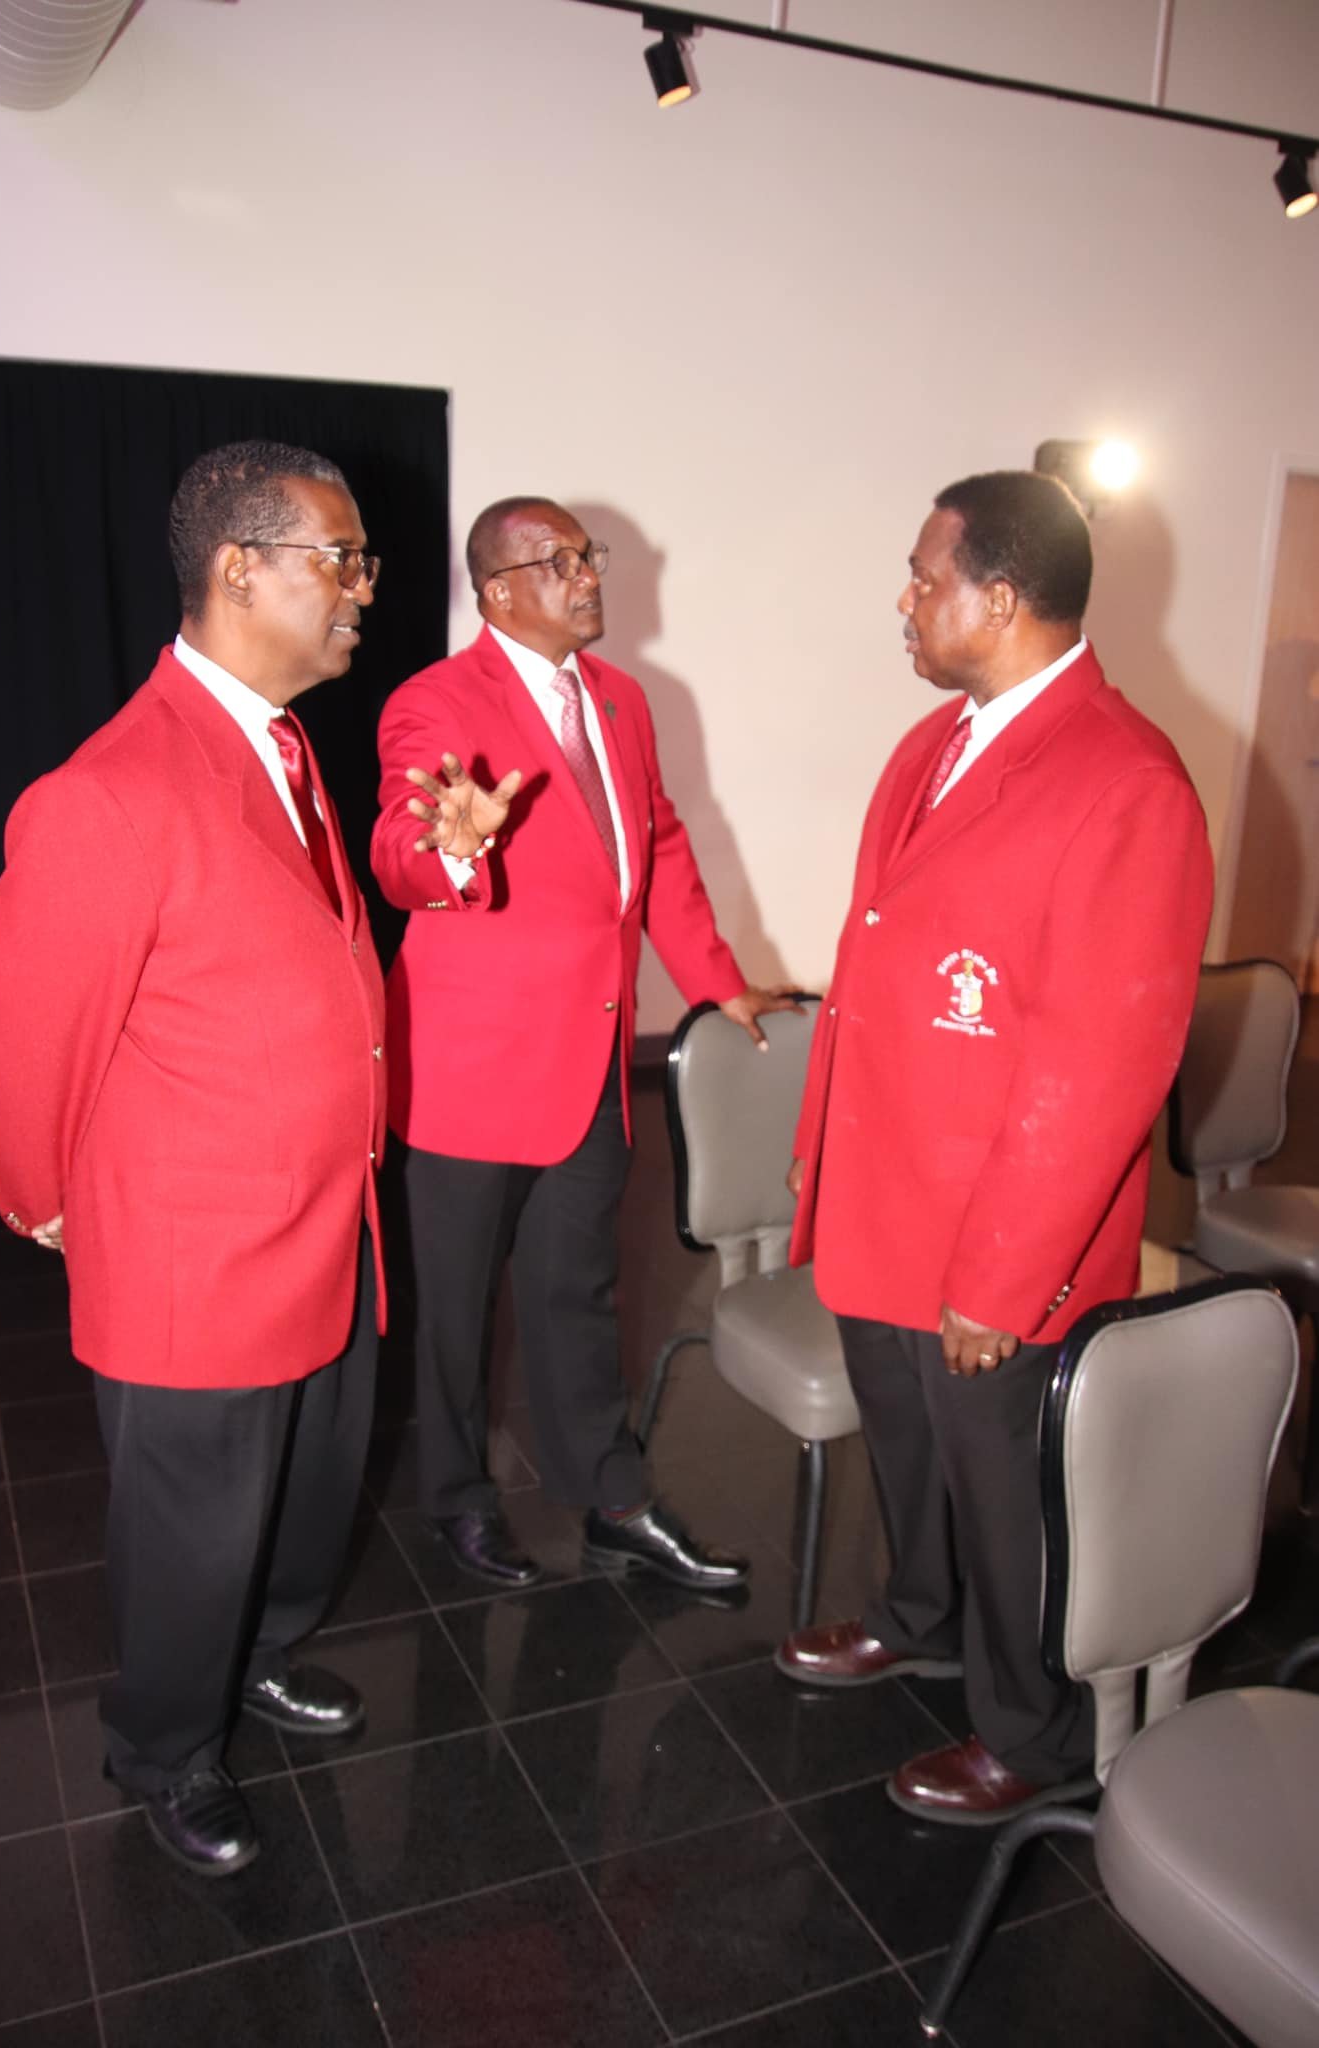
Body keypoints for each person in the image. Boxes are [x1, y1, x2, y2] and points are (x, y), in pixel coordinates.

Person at [0, 440, 388, 1877]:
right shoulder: (112, 789)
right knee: (192, 1529)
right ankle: (164, 1743)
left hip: (327, 1220)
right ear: (238, 571)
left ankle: (256, 1657)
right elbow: (16, 1036)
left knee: (305, 1499)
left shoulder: (279, 747)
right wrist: (44, 1201)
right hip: (199, 1250)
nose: (361, 591)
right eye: (340, 560)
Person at [775, 470, 1213, 1824]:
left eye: (926, 577)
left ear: (1003, 597)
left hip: (995, 1231)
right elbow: (870, 963)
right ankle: (918, 1612)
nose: (905, 600)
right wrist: (822, 1149)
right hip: (885, 1192)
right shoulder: (935, 743)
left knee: (1003, 1489)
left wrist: (1002, 1275)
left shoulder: (1125, 781)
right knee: (907, 1446)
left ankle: (1032, 1730)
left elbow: (1103, 1064)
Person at [371, 496, 795, 1589]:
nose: (589, 575)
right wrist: (447, 850)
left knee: (579, 1294)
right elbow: (402, 845)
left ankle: (611, 1497)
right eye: (558, 562)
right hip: (468, 1071)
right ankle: (457, 1497)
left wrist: (715, 981)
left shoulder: (618, 698)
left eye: (587, 555)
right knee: (456, 1313)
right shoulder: (435, 700)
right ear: (497, 590)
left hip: (591, 1063)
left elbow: (657, 840)